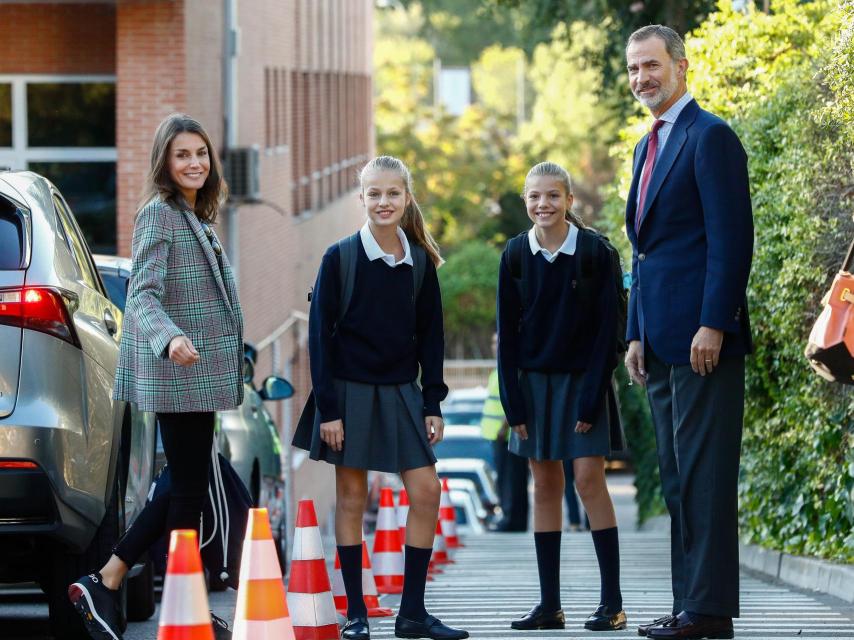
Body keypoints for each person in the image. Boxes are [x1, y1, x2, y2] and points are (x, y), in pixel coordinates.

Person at [68, 113, 242, 640]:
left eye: (201, 154)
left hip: (199, 373)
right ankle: (126, 586)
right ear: (165, 163)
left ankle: (116, 581)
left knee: (183, 483)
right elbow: (142, 293)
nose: (194, 163)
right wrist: (168, 337)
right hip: (176, 369)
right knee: (185, 487)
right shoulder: (158, 215)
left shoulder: (198, 217)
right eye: (182, 155)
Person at [293, 156, 468, 640]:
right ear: (362, 199)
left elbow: (433, 338)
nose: (384, 202)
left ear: (406, 198)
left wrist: (432, 401)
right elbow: (320, 340)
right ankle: (356, 615)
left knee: (426, 492)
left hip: (402, 394)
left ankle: (412, 613)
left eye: (393, 193)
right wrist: (328, 409)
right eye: (374, 194)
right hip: (347, 394)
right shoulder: (339, 258)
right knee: (351, 497)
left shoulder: (419, 264)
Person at [623, 26, 753, 640]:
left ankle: (708, 613)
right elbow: (644, 253)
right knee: (677, 479)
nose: (641, 79)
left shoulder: (712, 137)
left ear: (680, 66)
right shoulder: (645, 147)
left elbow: (731, 242)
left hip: (704, 340)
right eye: (633, 70)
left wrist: (714, 322)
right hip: (659, 343)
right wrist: (633, 331)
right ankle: (689, 608)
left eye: (651, 66)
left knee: (705, 477)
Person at [498, 161, 627, 633]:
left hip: (583, 383)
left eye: (552, 196)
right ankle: (549, 605)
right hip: (532, 387)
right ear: (525, 202)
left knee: (589, 482)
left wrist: (592, 395)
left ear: (569, 200)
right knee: (544, 486)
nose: (543, 205)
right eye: (534, 197)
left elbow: (609, 332)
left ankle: (611, 602)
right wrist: (513, 403)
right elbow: (507, 337)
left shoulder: (595, 253)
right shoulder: (514, 255)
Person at [481, 333, 529, 532]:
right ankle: (510, 518)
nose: (494, 346)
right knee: (505, 479)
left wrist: (504, 426)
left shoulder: (509, 369)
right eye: (492, 343)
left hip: (508, 435)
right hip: (497, 436)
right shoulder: (497, 371)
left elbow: (513, 399)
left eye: (497, 342)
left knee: (512, 481)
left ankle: (512, 520)